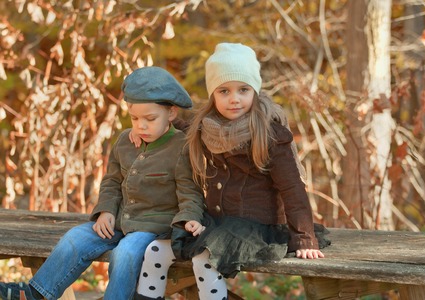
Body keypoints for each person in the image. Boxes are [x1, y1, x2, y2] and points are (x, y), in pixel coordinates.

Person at [136, 43, 330, 300]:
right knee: (155, 251)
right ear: (213, 95)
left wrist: (305, 238)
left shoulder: (269, 133)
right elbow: (182, 126)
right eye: (224, 91)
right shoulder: (208, 126)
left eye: (243, 90)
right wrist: (148, 128)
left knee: (206, 258)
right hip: (218, 223)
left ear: (255, 91)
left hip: (257, 228)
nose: (234, 98)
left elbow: (292, 188)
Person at [0, 66, 205, 300]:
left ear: (171, 114)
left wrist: (190, 218)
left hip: (153, 226)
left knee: (125, 253)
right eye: (135, 118)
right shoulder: (125, 141)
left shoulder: (181, 147)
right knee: (76, 237)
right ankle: (37, 293)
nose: (141, 126)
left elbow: (191, 192)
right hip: (118, 221)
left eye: (150, 119)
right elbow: (111, 182)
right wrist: (105, 211)